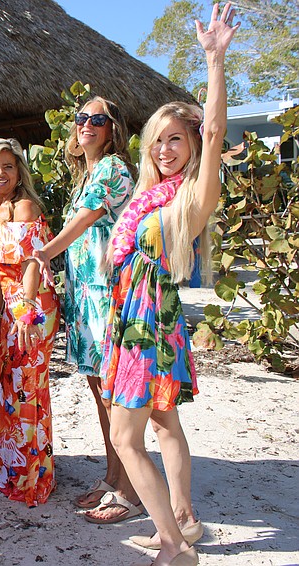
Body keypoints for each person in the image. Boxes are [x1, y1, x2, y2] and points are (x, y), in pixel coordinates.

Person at [102, 5, 238, 565]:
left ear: (192, 145)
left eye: (176, 140)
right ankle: (180, 521)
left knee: (124, 440)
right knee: (162, 423)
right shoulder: (146, 196)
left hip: (150, 324)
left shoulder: (190, 199)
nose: (165, 149)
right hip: (131, 319)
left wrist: (214, 61)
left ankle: (175, 547)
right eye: (158, 140)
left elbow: (214, 127)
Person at [32, 97, 139, 523]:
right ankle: (114, 477)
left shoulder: (113, 169)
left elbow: (85, 220)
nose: (87, 125)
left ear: (113, 129)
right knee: (99, 390)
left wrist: (44, 253)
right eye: (82, 119)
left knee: (114, 394)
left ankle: (130, 489)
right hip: (85, 297)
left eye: (98, 119)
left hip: (107, 295)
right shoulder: (88, 173)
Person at [0, 139, 60, 506]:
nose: (0, 173)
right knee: (12, 388)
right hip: (11, 309)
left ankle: (31, 480)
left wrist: (25, 312)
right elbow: (0, 272)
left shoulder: (24, 205)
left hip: (32, 306)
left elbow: (30, 263)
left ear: (19, 172)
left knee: (26, 388)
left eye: (8, 166)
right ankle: (15, 469)